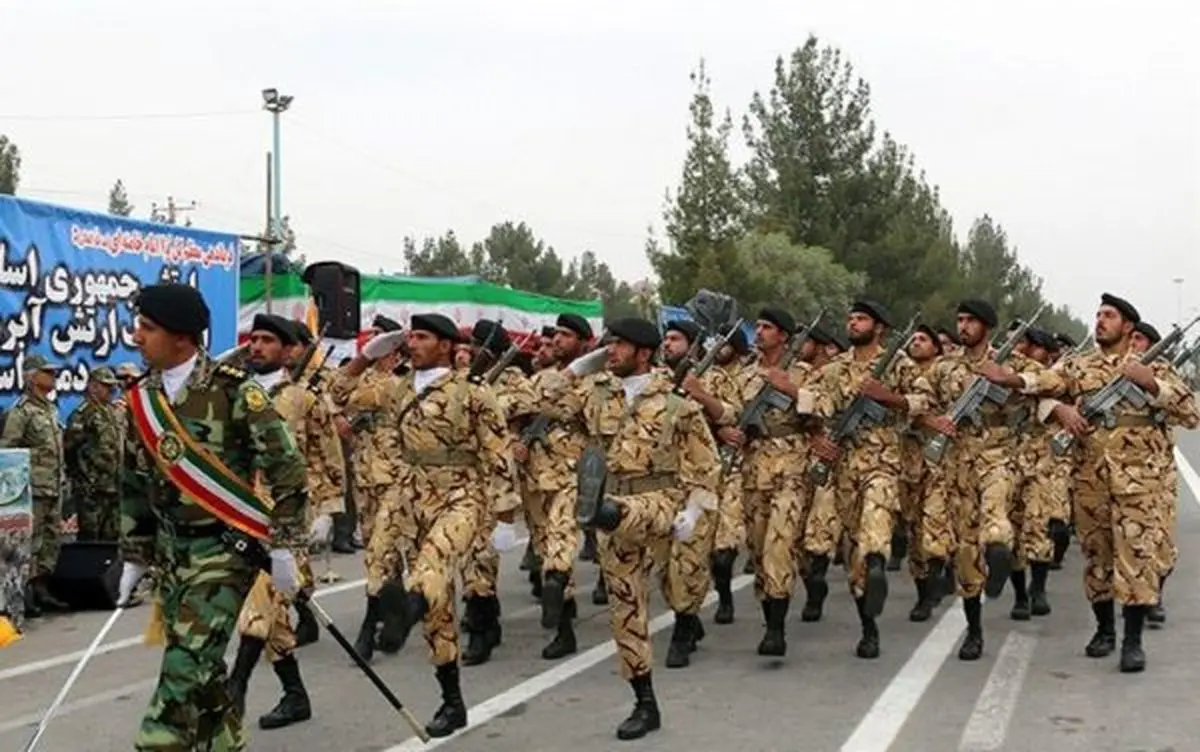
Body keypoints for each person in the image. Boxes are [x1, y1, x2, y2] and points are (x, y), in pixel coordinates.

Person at [116, 283, 308, 750]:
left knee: (182, 675)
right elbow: (134, 483)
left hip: (223, 553)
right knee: (205, 675)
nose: (136, 337)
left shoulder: (235, 393)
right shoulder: (143, 399)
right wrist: (135, 555)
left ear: (182, 337)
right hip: (171, 555)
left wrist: (284, 546)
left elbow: (287, 469)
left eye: (147, 328)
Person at [336, 313, 518, 738]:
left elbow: (497, 452)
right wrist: (364, 358)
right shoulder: (395, 387)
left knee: (431, 570)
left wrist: (505, 516)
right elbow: (336, 397)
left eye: (422, 337)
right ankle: (451, 700)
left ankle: (401, 619)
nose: (412, 344)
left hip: (460, 495)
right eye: (411, 337)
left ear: (446, 345)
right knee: (402, 579)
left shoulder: (472, 391)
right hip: (407, 495)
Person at [540, 316, 720, 739]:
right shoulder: (595, 394)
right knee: (626, 607)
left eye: (620, 345)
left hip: (661, 502)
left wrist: (693, 513)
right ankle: (645, 702)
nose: (612, 351)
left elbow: (707, 467)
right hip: (612, 504)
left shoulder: (676, 403)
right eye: (609, 344)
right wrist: (580, 365)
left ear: (644, 352)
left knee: (676, 582)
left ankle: (601, 515)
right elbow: (542, 400)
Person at [1045, 295, 1199, 671]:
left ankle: (1132, 641)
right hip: (1090, 478)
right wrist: (1059, 408)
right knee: (1097, 556)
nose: (1100, 321)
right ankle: (1104, 631)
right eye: (1098, 315)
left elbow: (1191, 413)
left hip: (1139, 484)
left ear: (1129, 326)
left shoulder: (1157, 367)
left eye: (1109, 316)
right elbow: (1040, 387)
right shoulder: (1078, 367)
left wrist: (1152, 386)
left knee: (1136, 558)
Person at [227, 314, 347, 730]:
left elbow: (327, 454)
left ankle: (234, 688)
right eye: (253, 339)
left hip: (287, 515)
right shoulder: (232, 394)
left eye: (266, 340)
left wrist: (329, 512)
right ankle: (295, 697)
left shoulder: (303, 398)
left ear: (286, 349)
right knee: (274, 614)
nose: (256, 346)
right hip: (239, 513)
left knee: (260, 604)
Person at [0, 353, 68, 617]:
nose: (53, 377)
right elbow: (8, 450)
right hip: (33, 489)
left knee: (51, 540)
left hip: (53, 485)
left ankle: (42, 589)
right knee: (31, 542)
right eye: (47, 372)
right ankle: (24, 595)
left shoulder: (50, 409)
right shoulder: (21, 412)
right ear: (31, 377)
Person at [64, 366, 123, 541]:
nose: (111, 390)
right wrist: (81, 478)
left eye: (112, 386)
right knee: (91, 537)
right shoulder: (83, 414)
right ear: (93, 386)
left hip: (113, 484)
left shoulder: (111, 411)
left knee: (112, 537)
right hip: (92, 488)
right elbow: (69, 448)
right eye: (106, 386)